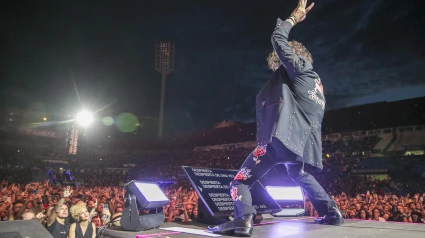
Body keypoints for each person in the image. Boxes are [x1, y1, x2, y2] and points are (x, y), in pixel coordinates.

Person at [208, 0, 343, 236]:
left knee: (239, 182)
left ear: (294, 57)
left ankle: (242, 220)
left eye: (279, 63)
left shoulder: (300, 68)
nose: (277, 68)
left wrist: (293, 18)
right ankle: (331, 211)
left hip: (279, 142)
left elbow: (278, 40)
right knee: (297, 172)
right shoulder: (316, 85)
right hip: (301, 146)